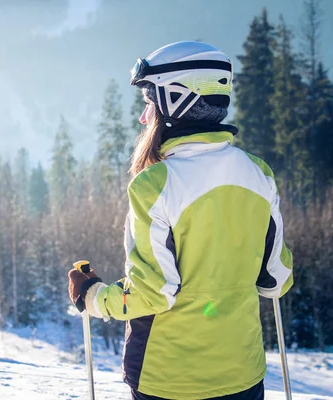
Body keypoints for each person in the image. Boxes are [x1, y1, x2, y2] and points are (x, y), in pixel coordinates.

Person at [68, 41, 293, 400]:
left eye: (148, 103)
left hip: (169, 380)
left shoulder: (154, 185)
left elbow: (152, 294)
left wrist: (93, 297)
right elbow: (276, 280)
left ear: (176, 100)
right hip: (243, 376)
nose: (144, 118)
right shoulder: (258, 174)